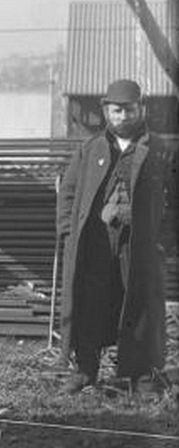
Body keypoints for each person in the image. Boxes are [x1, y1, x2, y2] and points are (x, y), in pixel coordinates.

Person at [56, 78, 177, 396]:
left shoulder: (161, 152)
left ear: (142, 109)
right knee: (91, 304)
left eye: (129, 109)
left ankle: (143, 377)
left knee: (140, 306)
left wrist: (164, 241)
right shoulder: (89, 149)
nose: (123, 117)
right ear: (106, 111)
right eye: (116, 110)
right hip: (96, 241)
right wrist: (69, 232)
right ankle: (85, 370)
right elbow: (68, 194)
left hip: (138, 245)